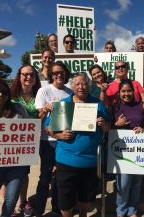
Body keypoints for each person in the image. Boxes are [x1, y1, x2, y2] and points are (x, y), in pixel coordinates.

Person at [45, 73, 110, 217]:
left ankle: (83, 215)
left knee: (86, 197)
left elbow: (108, 126)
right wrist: (59, 135)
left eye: (85, 84)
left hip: (90, 161)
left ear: (89, 86)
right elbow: (48, 127)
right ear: (72, 86)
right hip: (67, 160)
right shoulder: (63, 104)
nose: (81, 87)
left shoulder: (98, 104)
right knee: (65, 200)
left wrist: (104, 125)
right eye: (78, 84)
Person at [0, 79, 29, 217]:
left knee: (11, 200)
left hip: (16, 163)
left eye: (4, 92)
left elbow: (29, 130)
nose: (1, 94)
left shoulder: (19, 109)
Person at [35, 61, 72, 216]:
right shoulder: (44, 91)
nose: (59, 75)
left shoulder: (71, 92)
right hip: (47, 141)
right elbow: (38, 119)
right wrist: (45, 110)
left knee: (60, 178)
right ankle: (39, 211)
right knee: (45, 176)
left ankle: (57, 210)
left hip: (64, 142)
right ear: (51, 75)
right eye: (55, 73)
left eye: (61, 72)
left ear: (65, 74)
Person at [113, 79, 144, 217]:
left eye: (129, 91)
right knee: (123, 185)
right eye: (123, 91)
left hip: (138, 150)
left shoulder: (140, 105)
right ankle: (121, 211)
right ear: (119, 92)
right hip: (121, 152)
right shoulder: (115, 107)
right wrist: (117, 124)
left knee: (136, 184)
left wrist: (143, 128)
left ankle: (132, 210)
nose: (126, 94)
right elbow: (108, 128)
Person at [9, 64, 41, 216]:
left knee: (23, 173)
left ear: (36, 78)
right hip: (11, 141)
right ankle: (11, 206)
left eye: (32, 75)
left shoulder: (39, 95)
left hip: (30, 142)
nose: (28, 77)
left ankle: (23, 201)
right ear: (19, 76)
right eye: (25, 74)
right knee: (6, 173)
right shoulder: (11, 95)